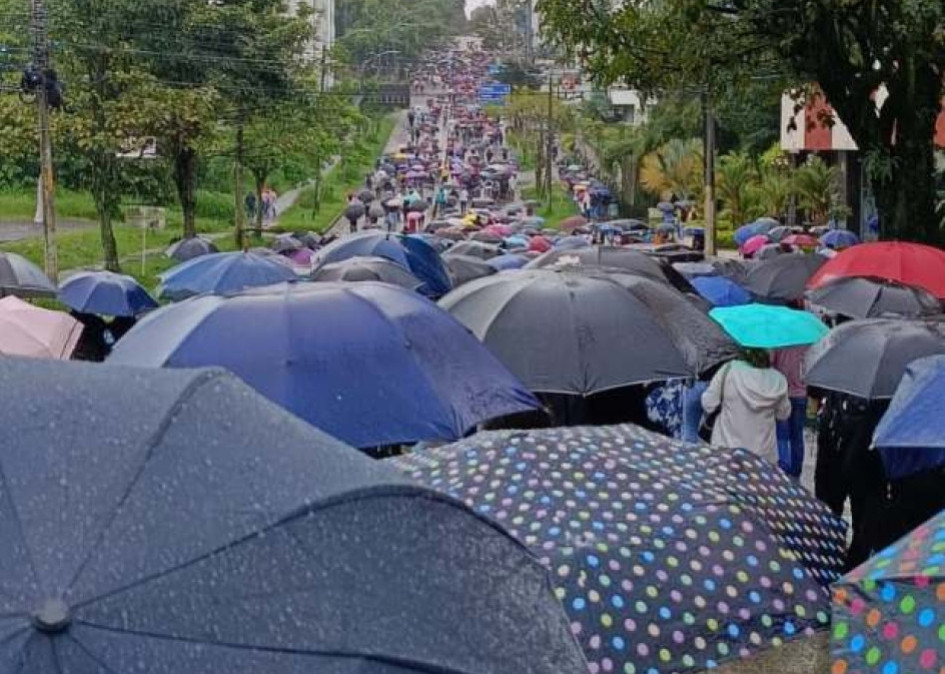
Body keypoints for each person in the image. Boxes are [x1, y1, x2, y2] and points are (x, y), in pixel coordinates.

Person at [701, 348, 791, 465]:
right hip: (763, 456)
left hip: (726, 449)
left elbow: (708, 404)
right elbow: (783, 414)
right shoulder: (779, 380)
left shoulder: (729, 370)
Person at [771, 345, 810, 478]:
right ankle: (796, 473)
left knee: (782, 436)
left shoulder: (780, 339)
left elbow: (771, 361)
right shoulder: (807, 340)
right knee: (797, 436)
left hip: (782, 391)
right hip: (801, 393)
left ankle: (783, 471)